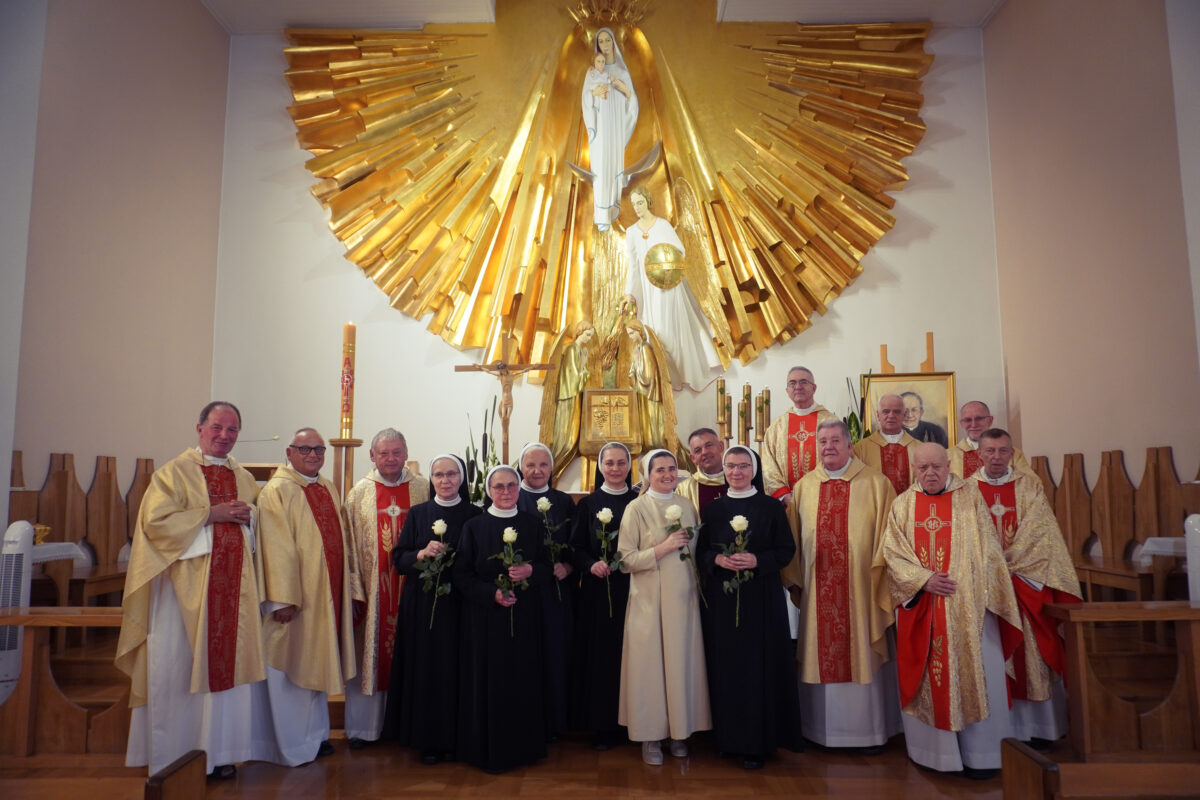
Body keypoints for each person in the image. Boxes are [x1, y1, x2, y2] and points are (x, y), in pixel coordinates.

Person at [116, 401, 269, 778]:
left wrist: (250, 519)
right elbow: (154, 526)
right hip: (181, 596)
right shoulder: (173, 473)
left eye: (232, 429)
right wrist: (211, 514)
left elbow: (257, 529)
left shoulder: (244, 478)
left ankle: (219, 754)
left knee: (225, 672)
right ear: (199, 428)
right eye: (217, 427)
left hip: (233, 594)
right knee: (179, 669)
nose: (224, 435)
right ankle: (174, 756)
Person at [878, 443, 1021, 778]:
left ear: (948, 465)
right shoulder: (902, 504)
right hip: (923, 609)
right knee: (931, 679)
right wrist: (923, 580)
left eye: (936, 467)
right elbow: (892, 554)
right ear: (914, 469)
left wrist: (979, 592)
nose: (930, 473)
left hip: (970, 610)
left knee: (978, 675)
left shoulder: (970, 498)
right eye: (923, 467)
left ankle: (982, 756)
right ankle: (937, 756)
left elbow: (989, 553)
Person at [783, 419, 902, 752]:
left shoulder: (877, 484)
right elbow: (794, 542)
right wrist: (795, 581)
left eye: (835, 440)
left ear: (850, 445)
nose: (829, 447)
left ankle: (868, 734)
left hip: (862, 592)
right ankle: (820, 732)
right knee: (820, 649)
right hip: (818, 591)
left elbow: (891, 538)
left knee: (862, 646)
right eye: (823, 441)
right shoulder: (805, 487)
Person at [974, 428, 1080, 748]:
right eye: (990, 451)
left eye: (1003, 451)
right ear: (979, 454)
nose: (996, 457)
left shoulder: (1029, 486)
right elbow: (964, 538)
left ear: (1012, 453)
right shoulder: (966, 490)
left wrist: (1006, 567)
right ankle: (998, 728)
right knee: (992, 653)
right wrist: (990, 572)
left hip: (1024, 582)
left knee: (1031, 651)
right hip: (985, 590)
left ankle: (1039, 728)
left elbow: (1041, 533)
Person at [698, 446, 802, 769]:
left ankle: (758, 743)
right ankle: (727, 739)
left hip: (762, 600)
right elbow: (701, 552)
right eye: (731, 466)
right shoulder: (713, 510)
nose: (736, 472)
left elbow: (786, 550)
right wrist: (717, 559)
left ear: (753, 469)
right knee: (726, 667)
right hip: (723, 602)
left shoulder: (771, 507)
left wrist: (757, 560)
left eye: (743, 465)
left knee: (759, 668)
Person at [257, 427, 356, 764]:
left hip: (324, 597)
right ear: (289, 452)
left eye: (318, 449)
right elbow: (275, 547)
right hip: (295, 602)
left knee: (315, 666)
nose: (313, 455)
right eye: (305, 449)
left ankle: (315, 736)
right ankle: (291, 745)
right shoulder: (277, 491)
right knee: (291, 670)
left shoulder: (326, 486)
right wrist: (282, 599)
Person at [384, 454, 481, 764]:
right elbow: (399, 559)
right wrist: (421, 553)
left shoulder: (474, 514)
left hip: (462, 606)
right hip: (424, 605)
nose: (445, 480)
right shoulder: (418, 513)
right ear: (431, 479)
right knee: (427, 669)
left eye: (451, 474)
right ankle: (428, 740)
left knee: (459, 669)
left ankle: (457, 738)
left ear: (461, 478)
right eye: (439, 475)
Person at [618, 449, 711, 765]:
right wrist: (663, 548)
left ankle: (679, 733)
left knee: (681, 665)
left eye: (672, 468)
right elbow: (625, 560)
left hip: (683, 601)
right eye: (660, 470)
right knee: (650, 669)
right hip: (649, 602)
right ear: (647, 475)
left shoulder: (687, 505)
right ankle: (651, 736)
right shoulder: (636, 508)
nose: (668, 474)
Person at [454, 465, 548, 773]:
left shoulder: (533, 524)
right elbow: (461, 574)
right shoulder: (474, 526)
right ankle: (487, 749)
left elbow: (548, 565)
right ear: (489, 490)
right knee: (488, 681)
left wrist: (531, 570)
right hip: (485, 619)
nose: (506, 492)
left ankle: (525, 748)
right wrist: (490, 593)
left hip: (524, 616)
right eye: (499, 486)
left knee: (523, 679)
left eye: (511, 486)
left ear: (519, 489)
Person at [342, 428, 430, 747]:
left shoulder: (423, 488)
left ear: (406, 453)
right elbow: (348, 546)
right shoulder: (359, 494)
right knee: (370, 655)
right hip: (373, 592)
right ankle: (364, 729)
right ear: (372, 456)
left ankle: (407, 727)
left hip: (413, 589)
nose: (391, 459)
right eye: (384, 453)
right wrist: (355, 590)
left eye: (396, 452)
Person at [568, 442, 637, 749]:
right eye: (609, 463)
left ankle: (635, 721)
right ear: (600, 467)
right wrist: (590, 564)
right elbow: (575, 547)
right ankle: (603, 726)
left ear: (630, 466)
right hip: (598, 590)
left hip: (634, 589)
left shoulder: (639, 502)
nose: (615, 468)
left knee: (632, 655)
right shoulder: (588, 504)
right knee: (602, 657)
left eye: (621, 463)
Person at [623, 185, 722, 391]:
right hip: (648, 288)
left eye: (640, 202)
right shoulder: (631, 232)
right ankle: (663, 371)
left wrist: (663, 261)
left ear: (648, 201)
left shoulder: (662, 225)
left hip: (666, 285)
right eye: (634, 204)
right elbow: (633, 265)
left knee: (665, 327)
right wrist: (629, 293)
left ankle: (679, 370)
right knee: (654, 329)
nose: (637, 207)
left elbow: (679, 251)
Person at [516, 441, 576, 740]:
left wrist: (569, 565)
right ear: (521, 468)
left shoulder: (564, 501)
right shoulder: (510, 497)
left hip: (555, 591)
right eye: (530, 465)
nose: (537, 470)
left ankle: (554, 723)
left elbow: (577, 543)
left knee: (554, 653)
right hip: (522, 593)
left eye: (543, 465)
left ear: (552, 468)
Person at [581, 27, 637, 230]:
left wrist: (623, 89)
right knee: (601, 166)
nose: (604, 45)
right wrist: (594, 93)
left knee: (613, 165)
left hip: (616, 128)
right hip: (600, 129)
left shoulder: (622, 72)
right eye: (601, 41)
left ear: (613, 42)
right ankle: (601, 215)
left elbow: (632, 102)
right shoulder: (592, 72)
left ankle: (612, 209)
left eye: (608, 40)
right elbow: (586, 97)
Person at [761, 366, 837, 503]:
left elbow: (842, 459)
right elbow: (768, 467)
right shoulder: (777, 427)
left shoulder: (831, 422)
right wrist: (785, 496)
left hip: (825, 499)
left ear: (814, 388)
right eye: (792, 383)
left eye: (803, 382)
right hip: (787, 504)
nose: (798, 387)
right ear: (787, 390)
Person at [854, 393, 920, 496]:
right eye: (886, 411)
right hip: (875, 505)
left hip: (909, 505)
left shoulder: (920, 448)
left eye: (896, 412)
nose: (891, 416)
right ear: (878, 415)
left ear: (904, 415)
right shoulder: (861, 449)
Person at [950, 400, 1030, 477]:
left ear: (990, 420)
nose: (974, 425)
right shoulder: (949, 456)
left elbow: (1030, 483)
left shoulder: (1014, 455)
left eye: (979, 419)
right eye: (968, 420)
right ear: (962, 423)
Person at [676, 427, 726, 515]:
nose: (704, 452)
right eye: (698, 450)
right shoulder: (684, 488)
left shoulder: (739, 479)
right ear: (693, 458)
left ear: (721, 447)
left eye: (709, 445)